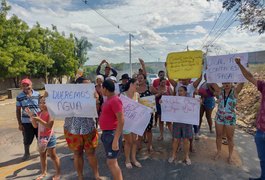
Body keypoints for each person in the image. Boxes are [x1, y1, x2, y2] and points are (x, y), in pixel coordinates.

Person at [64, 77, 101, 180]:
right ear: (78, 86)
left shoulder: (92, 95)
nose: (89, 87)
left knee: (91, 153)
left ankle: (96, 175)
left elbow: (96, 112)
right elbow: (57, 105)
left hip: (88, 128)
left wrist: (96, 100)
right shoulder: (68, 95)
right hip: (72, 129)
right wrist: (48, 97)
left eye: (90, 85)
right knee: (77, 153)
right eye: (86, 85)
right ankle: (80, 176)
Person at [235, 57, 265, 180]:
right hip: (260, 131)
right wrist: (239, 64)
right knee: (262, 158)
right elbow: (249, 77)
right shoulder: (264, 86)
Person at [26, 96, 60, 180]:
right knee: (42, 155)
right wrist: (32, 117)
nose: (41, 104)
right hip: (41, 138)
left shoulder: (51, 113)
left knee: (52, 155)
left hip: (50, 138)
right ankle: (43, 172)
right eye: (40, 102)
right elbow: (35, 126)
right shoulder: (39, 113)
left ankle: (58, 173)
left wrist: (39, 120)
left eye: (44, 102)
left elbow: (49, 126)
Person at [211, 80, 244, 164]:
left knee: (230, 137)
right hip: (219, 116)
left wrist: (244, 69)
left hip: (230, 117)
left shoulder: (235, 91)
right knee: (218, 135)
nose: (227, 85)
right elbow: (211, 80)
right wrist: (208, 69)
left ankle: (230, 155)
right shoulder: (219, 91)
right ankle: (218, 152)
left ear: (231, 83)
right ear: (222, 83)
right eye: (225, 83)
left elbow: (242, 81)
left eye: (228, 83)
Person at [99, 79, 124, 180]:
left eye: (101, 87)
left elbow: (121, 121)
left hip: (111, 134)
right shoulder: (108, 99)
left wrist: (115, 140)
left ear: (105, 88)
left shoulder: (115, 100)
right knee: (111, 162)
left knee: (112, 162)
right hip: (107, 134)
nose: (100, 89)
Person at [168, 86, 193, 165]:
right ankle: (174, 155)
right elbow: (168, 105)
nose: (179, 92)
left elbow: (196, 107)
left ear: (185, 92)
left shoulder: (191, 100)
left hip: (187, 122)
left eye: (181, 91)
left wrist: (199, 102)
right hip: (177, 122)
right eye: (178, 91)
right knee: (176, 140)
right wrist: (162, 102)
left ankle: (186, 156)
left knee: (186, 140)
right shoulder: (175, 100)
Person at [16, 78, 40, 161]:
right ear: (21, 87)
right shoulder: (19, 96)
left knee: (40, 137)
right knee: (27, 138)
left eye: (28, 85)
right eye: (24, 85)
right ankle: (26, 153)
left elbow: (42, 105)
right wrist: (19, 123)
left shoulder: (37, 94)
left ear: (31, 85)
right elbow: (18, 110)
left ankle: (43, 151)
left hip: (38, 121)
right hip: (26, 122)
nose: (26, 87)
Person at [122, 78, 142, 168]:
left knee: (135, 141)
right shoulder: (122, 95)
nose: (138, 86)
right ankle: (127, 160)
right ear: (131, 84)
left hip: (136, 123)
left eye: (139, 85)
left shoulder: (137, 95)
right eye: (136, 84)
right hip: (126, 123)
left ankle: (133, 159)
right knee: (128, 142)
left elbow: (141, 107)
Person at [137, 73, 156, 152]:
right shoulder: (135, 88)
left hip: (148, 113)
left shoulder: (150, 87)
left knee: (149, 130)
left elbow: (157, 93)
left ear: (145, 79)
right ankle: (139, 145)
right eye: (138, 78)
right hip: (139, 113)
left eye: (141, 78)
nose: (139, 79)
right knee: (140, 129)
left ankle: (150, 145)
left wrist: (153, 98)